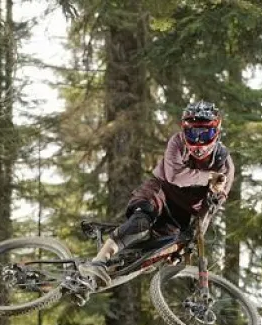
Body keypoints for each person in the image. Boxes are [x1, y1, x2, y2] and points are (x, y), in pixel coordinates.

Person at [79, 99, 235, 288]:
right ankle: (98, 262)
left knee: (154, 254)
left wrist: (193, 236)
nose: (199, 143)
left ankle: (95, 281)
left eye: (206, 133)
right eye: (192, 133)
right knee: (141, 222)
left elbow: (211, 208)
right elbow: (175, 176)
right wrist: (209, 176)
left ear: (217, 132)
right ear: (184, 131)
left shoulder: (224, 164)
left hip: (183, 214)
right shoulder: (177, 143)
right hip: (160, 191)